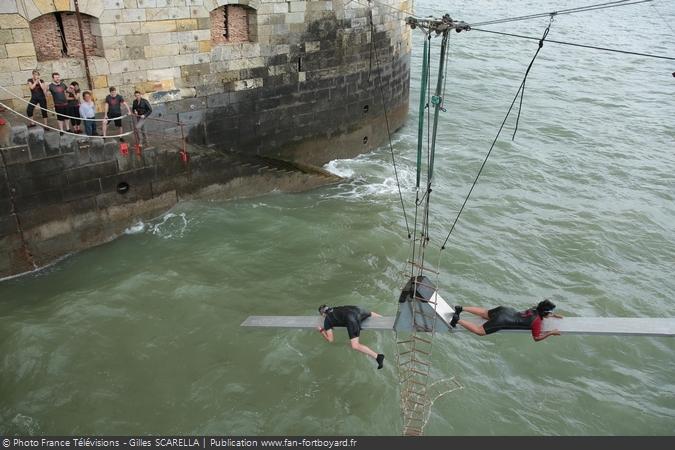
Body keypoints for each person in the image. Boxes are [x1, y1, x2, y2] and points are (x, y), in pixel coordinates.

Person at [450, 299, 563, 342]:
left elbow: (541, 310)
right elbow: (536, 338)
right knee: (480, 331)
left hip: (505, 310)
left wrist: (552, 315)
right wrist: (550, 333)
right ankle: (457, 320)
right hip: (502, 320)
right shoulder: (537, 322)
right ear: (545, 312)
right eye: (550, 312)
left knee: (485, 313)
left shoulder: (535, 308)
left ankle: (461, 308)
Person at [317, 305, 385, 369]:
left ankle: (378, 357)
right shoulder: (336, 308)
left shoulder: (327, 320)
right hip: (358, 310)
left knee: (355, 345)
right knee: (370, 313)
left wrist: (321, 330)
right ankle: (384, 320)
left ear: (323, 314)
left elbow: (330, 339)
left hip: (352, 319)